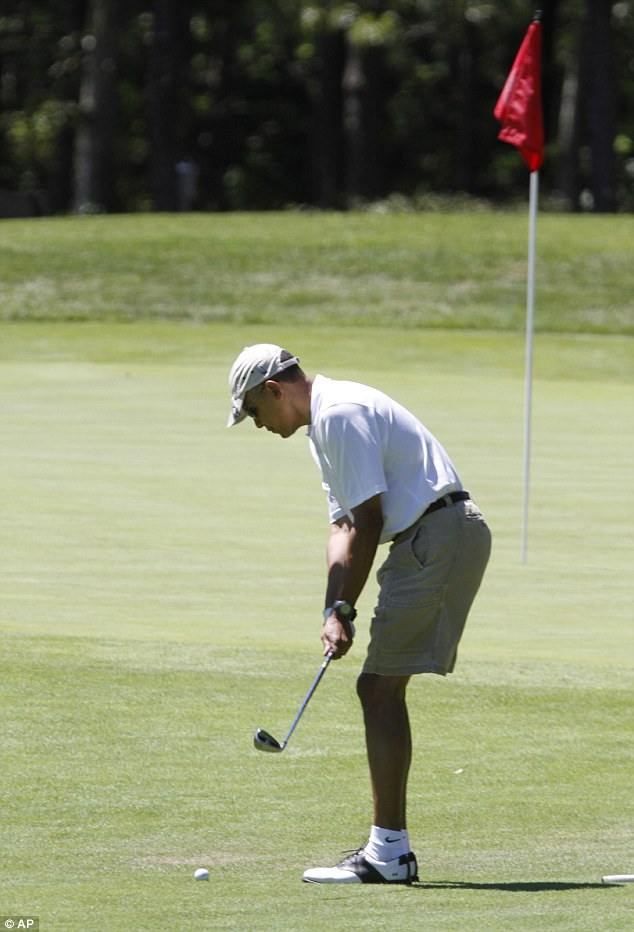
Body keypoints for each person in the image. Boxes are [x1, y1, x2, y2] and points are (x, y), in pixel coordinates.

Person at [227, 343, 491, 885]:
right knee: (377, 689)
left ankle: (389, 855)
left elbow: (368, 521)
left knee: (377, 690)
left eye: (254, 411)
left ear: (274, 390)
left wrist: (345, 605)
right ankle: (389, 851)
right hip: (428, 537)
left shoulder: (341, 414)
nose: (257, 424)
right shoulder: (324, 424)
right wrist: (333, 609)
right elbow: (343, 526)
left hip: (436, 534)